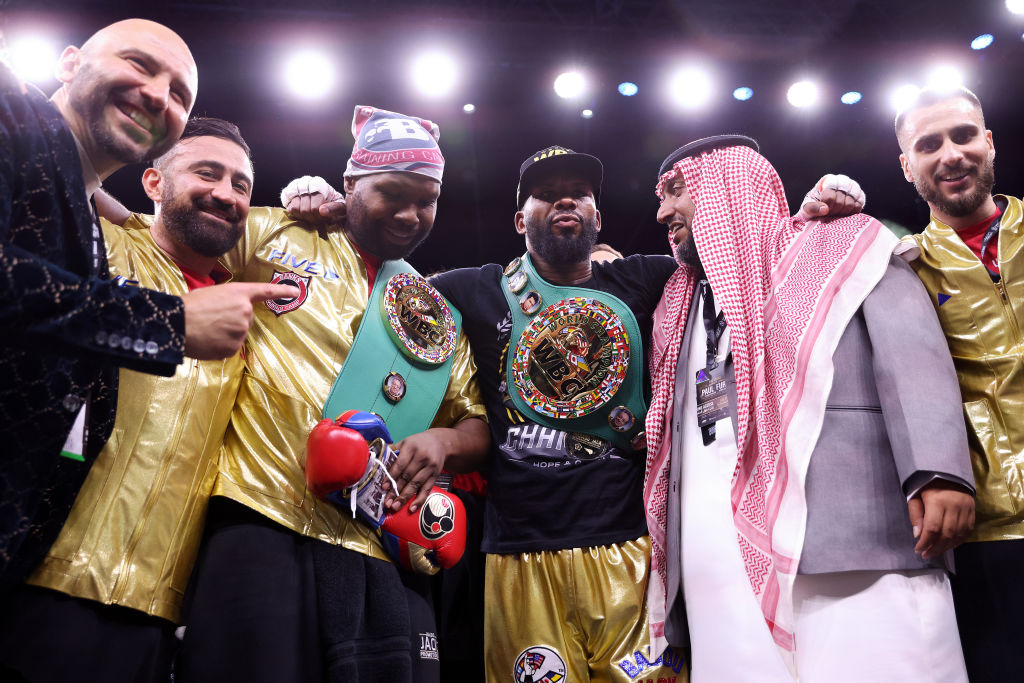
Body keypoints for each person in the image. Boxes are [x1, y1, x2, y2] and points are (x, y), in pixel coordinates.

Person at [283, 150, 867, 682]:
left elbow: (750, 252)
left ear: (598, 218)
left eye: (580, 191)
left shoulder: (648, 280)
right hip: (517, 554)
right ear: (520, 221)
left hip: (634, 550)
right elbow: (374, 286)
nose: (566, 199)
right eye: (547, 193)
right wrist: (326, 206)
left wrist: (822, 209)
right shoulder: (474, 290)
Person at [174, 105, 489, 683]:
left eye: (427, 199)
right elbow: (160, 242)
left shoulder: (437, 310)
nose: (410, 213)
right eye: (392, 192)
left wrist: (443, 442)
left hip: (384, 546)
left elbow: (476, 423)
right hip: (261, 516)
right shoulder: (274, 233)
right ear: (348, 184)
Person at [643, 135, 975, 681]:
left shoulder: (834, 244)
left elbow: (912, 351)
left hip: (849, 542)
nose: (662, 211)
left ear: (728, 187)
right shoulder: (676, 303)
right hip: (714, 568)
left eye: (677, 191)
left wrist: (938, 470)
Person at [0, 19, 290, 597]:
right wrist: (170, 322)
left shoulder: (80, 224)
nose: (159, 94)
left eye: (180, 93)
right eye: (139, 64)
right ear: (68, 63)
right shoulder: (11, 112)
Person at [0, 117, 255, 683]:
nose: (225, 193)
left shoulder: (248, 312)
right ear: (153, 184)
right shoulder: (99, 246)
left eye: (241, 185)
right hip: (37, 571)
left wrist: (316, 197)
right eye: (206, 173)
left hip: (158, 610)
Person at [895, 85, 1024, 680]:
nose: (951, 154)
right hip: (986, 529)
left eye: (964, 135)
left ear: (988, 141)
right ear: (907, 165)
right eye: (929, 144)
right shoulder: (898, 269)